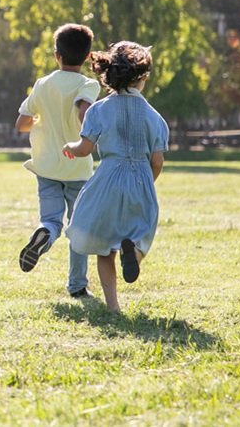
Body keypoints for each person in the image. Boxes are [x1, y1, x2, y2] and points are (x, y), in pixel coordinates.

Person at [62, 41, 168, 313]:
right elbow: (157, 161)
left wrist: (70, 147)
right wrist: (146, 182)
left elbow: (85, 149)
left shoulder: (98, 109)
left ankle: (113, 307)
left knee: (103, 245)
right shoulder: (155, 117)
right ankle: (134, 254)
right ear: (143, 77)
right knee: (141, 234)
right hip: (141, 179)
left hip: (107, 179)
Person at [15, 24, 101, 298]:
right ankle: (77, 285)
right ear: (88, 57)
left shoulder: (42, 84)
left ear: (56, 55)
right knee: (78, 227)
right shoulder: (88, 84)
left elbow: (21, 124)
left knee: (51, 219)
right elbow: (83, 111)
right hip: (77, 166)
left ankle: (44, 234)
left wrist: (44, 122)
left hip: (46, 166)